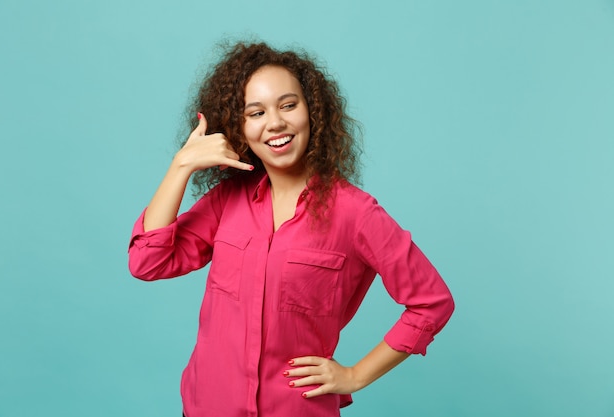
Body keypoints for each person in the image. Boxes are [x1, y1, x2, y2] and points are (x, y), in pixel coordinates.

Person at [128, 41, 454, 417]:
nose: (275, 123)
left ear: (312, 112)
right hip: (206, 405)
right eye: (256, 112)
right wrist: (180, 167)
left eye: (288, 105)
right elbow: (146, 262)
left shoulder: (355, 213)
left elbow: (432, 303)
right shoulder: (227, 200)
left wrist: (355, 376)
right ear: (239, 127)